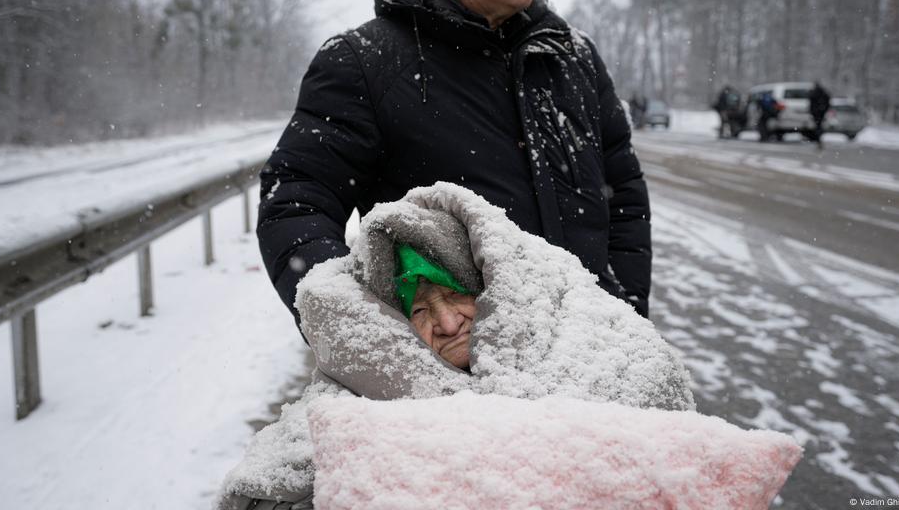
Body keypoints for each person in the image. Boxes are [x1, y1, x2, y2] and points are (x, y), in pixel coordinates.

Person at [257, 0, 653, 326]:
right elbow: (296, 205)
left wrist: (625, 315)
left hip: (590, 362)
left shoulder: (573, 58)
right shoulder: (364, 63)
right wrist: (379, 338)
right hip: (457, 383)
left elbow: (625, 201)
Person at [217, 183, 695, 510]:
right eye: (420, 310)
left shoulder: (595, 348)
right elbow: (263, 487)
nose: (445, 323)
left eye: (456, 294)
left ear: (491, 286)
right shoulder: (363, 388)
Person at [808, 81, 831, 150]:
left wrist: (812, 111)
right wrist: (825, 109)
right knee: (819, 126)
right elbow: (828, 100)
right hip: (821, 112)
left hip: (816, 112)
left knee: (817, 126)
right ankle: (819, 138)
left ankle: (818, 139)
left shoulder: (814, 93)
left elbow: (811, 102)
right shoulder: (823, 93)